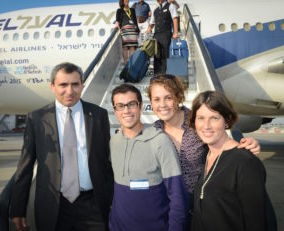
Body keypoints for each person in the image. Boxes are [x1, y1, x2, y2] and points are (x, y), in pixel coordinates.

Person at [146, 74, 261, 230]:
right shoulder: (152, 133)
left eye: (168, 97)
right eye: (156, 99)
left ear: (178, 97)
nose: (163, 104)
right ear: (151, 102)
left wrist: (249, 145)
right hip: (169, 209)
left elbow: (222, 144)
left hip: (202, 208)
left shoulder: (197, 123)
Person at [10, 62, 113, 231]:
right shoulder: (37, 119)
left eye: (75, 84)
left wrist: (111, 199)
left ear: (82, 85)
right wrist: (17, 209)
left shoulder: (98, 115)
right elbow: (25, 167)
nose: (70, 91)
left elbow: (106, 162)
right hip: (52, 206)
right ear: (52, 86)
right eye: (63, 85)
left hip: (93, 205)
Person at [109, 83, 189, 231]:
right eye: (120, 106)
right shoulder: (114, 142)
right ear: (114, 110)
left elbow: (177, 196)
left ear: (140, 106)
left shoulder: (160, 141)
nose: (126, 111)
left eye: (131, 104)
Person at [189, 90, 267, 231]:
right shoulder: (204, 155)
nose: (206, 125)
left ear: (226, 120)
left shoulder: (245, 162)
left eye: (214, 118)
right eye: (200, 118)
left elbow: (256, 221)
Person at [147, 0, 179, 74]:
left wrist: (175, 32)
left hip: (166, 34)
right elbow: (152, 23)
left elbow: (175, 18)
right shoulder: (155, 10)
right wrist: (148, 30)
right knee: (157, 55)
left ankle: (165, 75)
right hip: (156, 35)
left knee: (165, 55)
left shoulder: (170, 6)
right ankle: (157, 76)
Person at [116, 0, 140, 64]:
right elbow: (117, 21)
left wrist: (137, 29)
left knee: (132, 47)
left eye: (127, 0)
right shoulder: (119, 10)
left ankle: (131, 63)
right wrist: (119, 29)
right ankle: (125, 63)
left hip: (132, 29)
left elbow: (135, 21)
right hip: (124, 29)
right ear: (122, 2)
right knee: (125, 47)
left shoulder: (132, 10)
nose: (126, 1)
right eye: (125, 0)